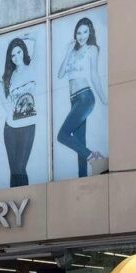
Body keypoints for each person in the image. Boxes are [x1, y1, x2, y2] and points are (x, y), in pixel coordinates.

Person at [56, 17, 107, 178]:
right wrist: (67, 52)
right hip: (74, 100)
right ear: (75, 34)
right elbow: (60, 74)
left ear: (90, 32)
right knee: (79, 144)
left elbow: (94, 76)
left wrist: (104, 99)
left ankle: (95, 157)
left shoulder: (92, 49)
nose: (82, 36)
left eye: (85, 32)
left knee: (62, 135)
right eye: (79, 32)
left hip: (86, 97)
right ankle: (82, 179)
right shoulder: (71, 50)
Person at [0, 37, 37, 187]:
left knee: (20, 168)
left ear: (24, 51)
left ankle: (25, 205)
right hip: (10, 126)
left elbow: (36, 40)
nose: (16, 57)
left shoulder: (32, 67)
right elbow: (6, 104)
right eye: (13, 55)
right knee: (14, 170)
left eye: (19, 52)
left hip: (28, 125)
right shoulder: (8, 77)